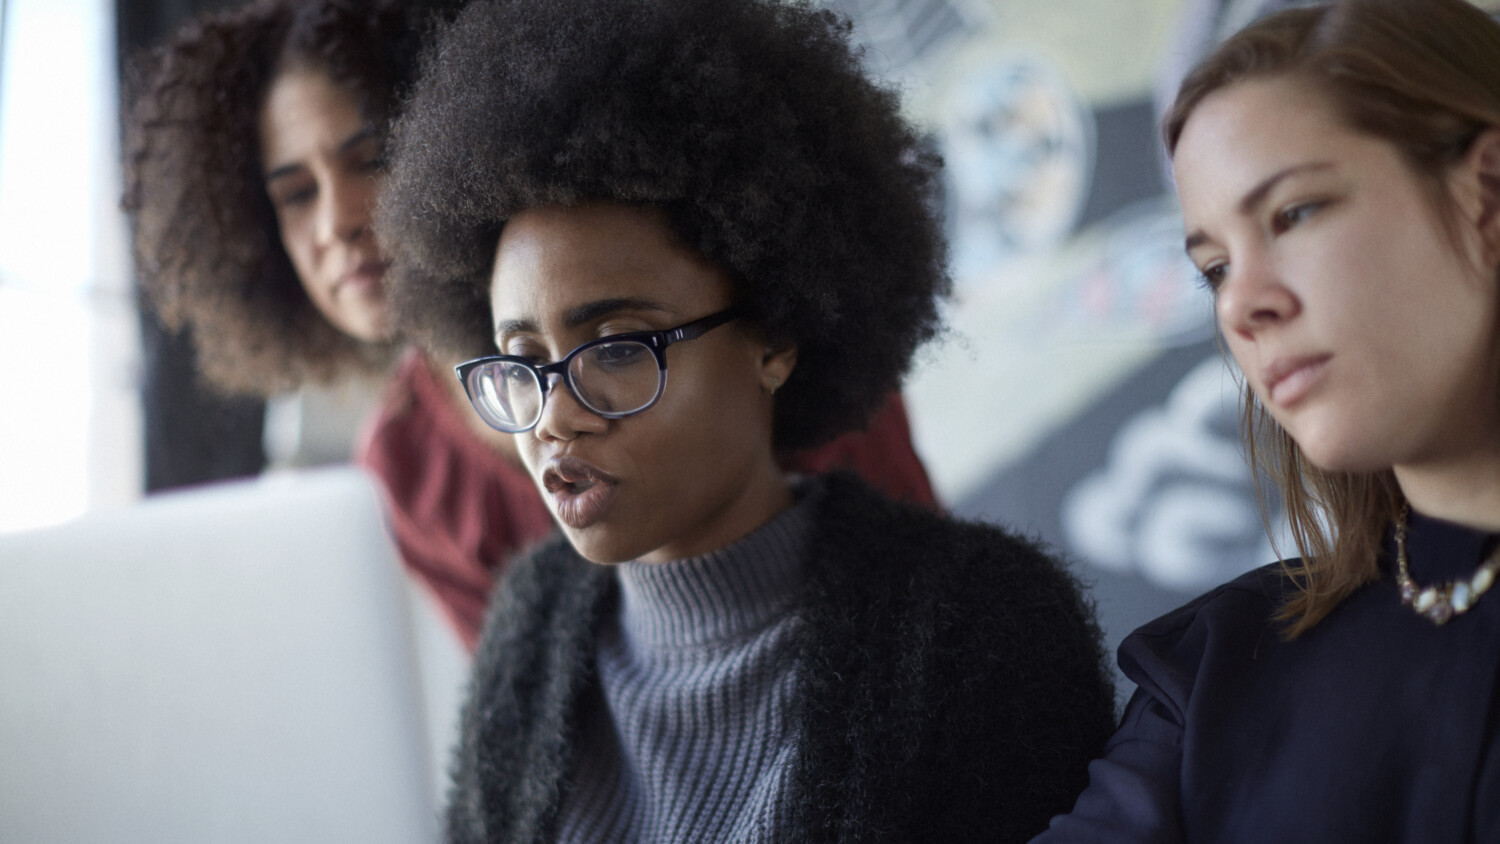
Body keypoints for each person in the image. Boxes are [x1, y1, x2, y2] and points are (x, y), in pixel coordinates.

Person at [377, 0, 1116, 840]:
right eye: (522, 360)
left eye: (617, 349)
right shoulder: (532, 626)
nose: (555, 417)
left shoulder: (979, 631)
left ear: (775, 335)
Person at [121, 0, 940, 652]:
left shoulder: (736, 325)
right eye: (295, 193)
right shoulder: (407, 469)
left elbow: (925, 584)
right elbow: (537, 753)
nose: (335, 220)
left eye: (370, 158)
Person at [1033, 0, 1500, 840]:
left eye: (1295, 213)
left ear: (1489, 196)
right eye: (1214, 268)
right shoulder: (1211, 674)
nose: (1244, 304)